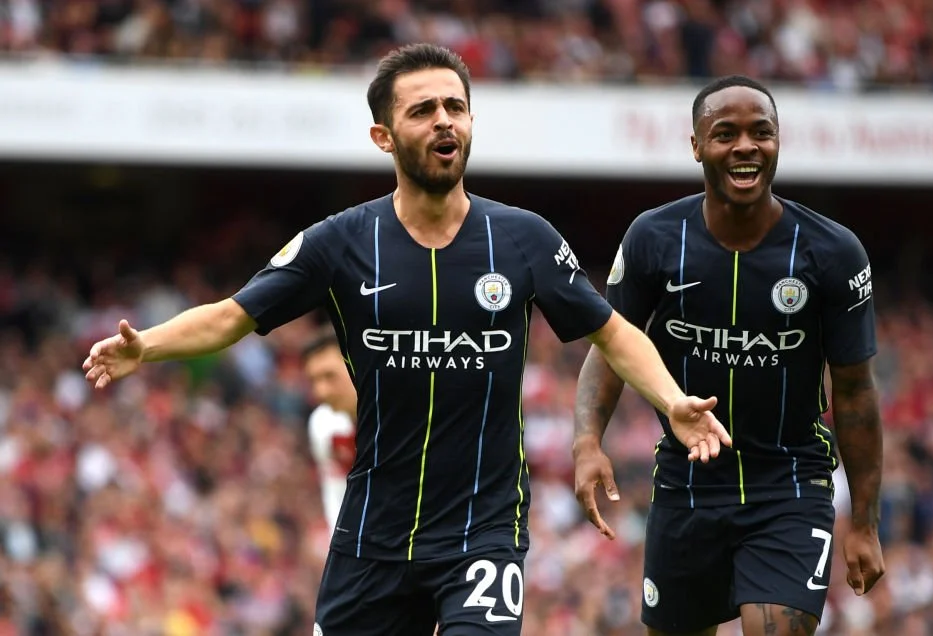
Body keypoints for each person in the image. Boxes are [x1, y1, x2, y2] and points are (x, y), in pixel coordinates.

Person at [82, 43, 731, 636]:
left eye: (456, 107)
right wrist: (147, 346)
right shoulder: (339, 242)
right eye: (423, 111)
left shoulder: (523, 239)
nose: (444, 121)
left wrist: (672, 400)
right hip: (373, 536)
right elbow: (232, 316)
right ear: (383, 136)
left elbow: (613, 333)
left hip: (482, 533)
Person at [572, 75, 885, 636]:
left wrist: (864, 522)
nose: (745, 146)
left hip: (790, 484)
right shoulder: (654, 238)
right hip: (687, 483)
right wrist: (587, 441)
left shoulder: (833, 252)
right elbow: (611, 345)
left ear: (778, 142)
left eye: (760, 132)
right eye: (725, 134)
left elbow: (856, 391)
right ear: (696, 146)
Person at [302, 327, 358, 529]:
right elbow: (337, 494)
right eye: (313, 381)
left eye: (329, 376)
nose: (320, 391)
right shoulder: (323, 425)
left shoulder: (403, 419)